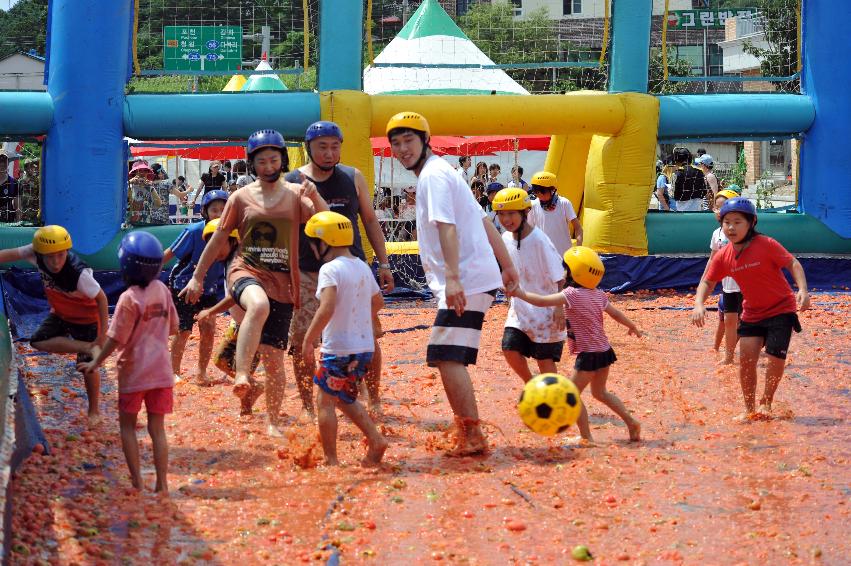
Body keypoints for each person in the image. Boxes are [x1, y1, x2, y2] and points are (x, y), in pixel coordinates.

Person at [387, 111, 519, 456]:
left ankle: (472, 435)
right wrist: (506, 266)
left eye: (409, 141)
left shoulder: (433, 176)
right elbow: (483, 221)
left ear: (425, 141)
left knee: (446, 356)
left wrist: (455, 280)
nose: (402, 149)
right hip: (473, 277)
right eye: (396, 144)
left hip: (466, 280)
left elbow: (446, 227)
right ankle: (468, 430)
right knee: (447, 354)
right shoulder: (444, 171)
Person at [181, 129, 327, 437]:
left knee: (276, 362)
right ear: (252, 164)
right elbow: (219, 237)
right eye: (261, 161)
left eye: (274, 159)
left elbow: (323, 225)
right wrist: (196, 276)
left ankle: (272, 421)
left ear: (283, 161)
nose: (268, 165)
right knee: (257, 304)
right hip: (246, 271)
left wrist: (315, 196)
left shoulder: (294, 195)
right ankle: (243, 373)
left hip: (284, 284)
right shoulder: (240, 197)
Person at [285, 121, 395, 419]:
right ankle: (309, 405)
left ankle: (373, 398)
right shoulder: (293, 180)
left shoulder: (352, 176)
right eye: (322, 147)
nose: (329, 153)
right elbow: (286, 231)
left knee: (368, 335)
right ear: (309, 148)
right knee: (303, 340)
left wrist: (383, 263)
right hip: (309, 270)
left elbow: (370, 221)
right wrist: (287, 275)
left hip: (351, 267)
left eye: (335, 146)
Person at [691, 197, 810, 421]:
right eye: (727, 222)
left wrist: (802, 290)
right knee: (746, 361)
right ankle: (749, 409)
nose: (731, 228)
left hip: (781, 309)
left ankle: (766, 402)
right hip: (753, 313)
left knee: (775, 357)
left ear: (751, 223)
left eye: (738, 222)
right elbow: (707, 281)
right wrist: (699, 303)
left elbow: (793, 263)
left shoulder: (766, 244)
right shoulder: (724, 254)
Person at [509, 246, 642, 443]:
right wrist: (632, 326)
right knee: (600, 392)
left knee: (571, 395)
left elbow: (542, 301)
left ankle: (586, 437)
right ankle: (631, 422)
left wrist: (519, 293)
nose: (563, 273)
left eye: (566, 269)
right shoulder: (599, 294)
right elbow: (615, 314)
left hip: (588, 355)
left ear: (574, 273)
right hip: (605, 351)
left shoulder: (571, 294)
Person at [78, 232, 177, 494]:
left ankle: (137, 482)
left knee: (127, 427)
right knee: (158, 429)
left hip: (134, 374)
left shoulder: (128, 298)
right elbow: (173, 328)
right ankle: (163, 485)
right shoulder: (163, 291)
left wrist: (96, 362)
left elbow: (114, 338)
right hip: (162, 373)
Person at [301, 211, 388, 466]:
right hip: (363, 348)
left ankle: (331, 459)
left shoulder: (330, 269)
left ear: (324, 241)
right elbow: (378, 301)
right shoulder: (361, 265)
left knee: (324, 401)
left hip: (337, 348)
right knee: (344, 398)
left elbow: (326, 307)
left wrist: (309, 338)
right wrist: (358, 320)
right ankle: (375, 439)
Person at [0, 226, 108, 424]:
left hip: (86, 318)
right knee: (38, 342)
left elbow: (102, 299)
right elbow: (10, 254)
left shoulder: (79, 274)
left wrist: (102, 336)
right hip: (61, 312)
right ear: (40, 253)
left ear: (67, 250)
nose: (55, 262)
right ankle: (87, 347)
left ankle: (94, 411)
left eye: (60, 255)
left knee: (88, 367)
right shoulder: (35, 253)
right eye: (49, 257)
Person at [492, 188, 565, 382]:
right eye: (501, 214)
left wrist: (559, 307)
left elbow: (560, 276)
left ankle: (553, 398)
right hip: (520, 311)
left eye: (511, 213)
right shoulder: (505, 239)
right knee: (509, 349)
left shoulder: (539, 240)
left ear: (525, 213)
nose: (506, 219)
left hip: (546, 311)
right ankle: (531, 385)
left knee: (545, 361)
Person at [164, 190, 229, 385]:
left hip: (209, 288)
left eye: (223, 210)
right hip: (183, 285)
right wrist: (148, 275)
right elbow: (169, 253)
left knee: (208, 329)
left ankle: (202, 372)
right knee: (183, 330)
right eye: (214, 210)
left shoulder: (231, 233)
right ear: (205, 212)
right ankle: (173, 372)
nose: (218, 214)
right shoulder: (193, 232)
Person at [702, 189, 743, 365]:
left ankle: (734, 351)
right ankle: (728, 355)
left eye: (722, 207)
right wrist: (705, 282)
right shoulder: (717, 234)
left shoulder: (743, 231)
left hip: (747, 285)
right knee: (729, 321)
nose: (718, 211)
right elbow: (713, 259)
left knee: (742, 321)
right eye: (716, 208)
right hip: (729, 286)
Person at [527, 171, 583, 256]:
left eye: (542, 192)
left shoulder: (564, 203)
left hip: (564, 255)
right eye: (537, 192)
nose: (540, 195)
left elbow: (578, 228)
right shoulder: (533, 205)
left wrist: (579, 249)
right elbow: (529, 232)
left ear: (552, 189)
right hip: (544, 256)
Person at [127, 161, 163, 225]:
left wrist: (150, 188)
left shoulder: (149, 187)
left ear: (147, 173)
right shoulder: (129, 185)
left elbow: (158, 204)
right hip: (129, 223)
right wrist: (129, 183)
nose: (142, 173)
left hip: (145, 223)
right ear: (135, 172)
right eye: (139, 170)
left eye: (145, 170)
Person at [670, 147, 706, 212]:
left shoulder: (677, 173)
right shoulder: (699, 171)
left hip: (682, 210)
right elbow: (704, 191)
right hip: (697, 208)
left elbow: (673, 194)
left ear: (677, 159)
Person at [18, 158, 39, 223]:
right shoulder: (21, 181)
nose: (30, 169)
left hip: (34, 212)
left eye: (31, 167)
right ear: (25, 168)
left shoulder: (37, 181)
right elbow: (18, 197)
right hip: (24, 212)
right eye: (27, 166)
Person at [0, 152, 19, 223]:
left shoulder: (14, 182)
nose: (2, 164)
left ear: (8, 163)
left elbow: (17, 206)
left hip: (8, 222)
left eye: (4, 161)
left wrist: (18, 225)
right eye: (0, 161)